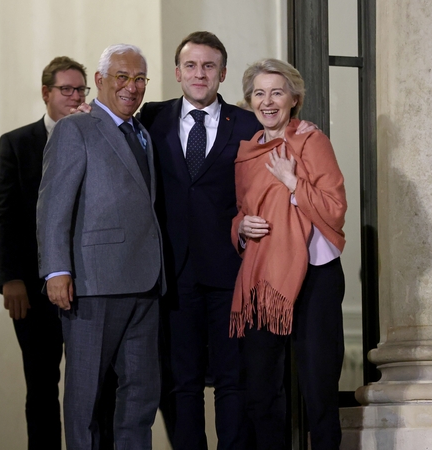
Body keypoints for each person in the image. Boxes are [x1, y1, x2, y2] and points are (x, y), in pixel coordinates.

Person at [139, 31, 317, 449]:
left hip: (232, 270)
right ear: (178, 71)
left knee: (231, 382)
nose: (199, 74)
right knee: (181, 382)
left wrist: (301, 126)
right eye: (191, 65)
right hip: (173, 271)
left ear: (222, 73)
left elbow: (288, 142)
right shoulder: (151, 117)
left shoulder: (252, 124)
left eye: (208, 66)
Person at [37, 44, 164, 450]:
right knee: (86, 398)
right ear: (99, 81)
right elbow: (53, 205)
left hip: (145, 285)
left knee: (140, 396)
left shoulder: (143, 133)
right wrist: (57, 270)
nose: (132, 87)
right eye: (122, 77)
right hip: (94, 283)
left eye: (140, 78)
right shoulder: (75, 129)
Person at [231, 59, 346, 450]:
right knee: (261, 391)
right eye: (259, 93)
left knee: (319, 391)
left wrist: (293, 181)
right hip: (265, 280)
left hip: (315, 277)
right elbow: (242, 213)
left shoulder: (312, 141)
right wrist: (241, 230)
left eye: (277, 92)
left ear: (293, 99)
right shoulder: (246, 154)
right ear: (249, 101)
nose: (267, 101)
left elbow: (335, 208)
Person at [0, 56, 88, 450]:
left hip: (87, 283)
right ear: (46, 93)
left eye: (81, 89)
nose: (75, 96)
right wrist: (12, 277)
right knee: (42, 386)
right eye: (66, 89)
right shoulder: (17, 143)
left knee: (90, 385)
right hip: (30, 286)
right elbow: (5, 215)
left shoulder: (96, 135)